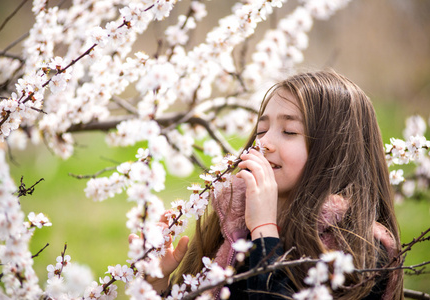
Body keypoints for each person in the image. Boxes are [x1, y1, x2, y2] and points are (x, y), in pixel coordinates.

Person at [132, 70, 404, 299]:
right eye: (261, 131)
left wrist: (264, 232)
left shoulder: (362, 250)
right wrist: (158, 285)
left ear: (337, 151)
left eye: (289, 132)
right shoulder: (232, 226)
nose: (263, 143)